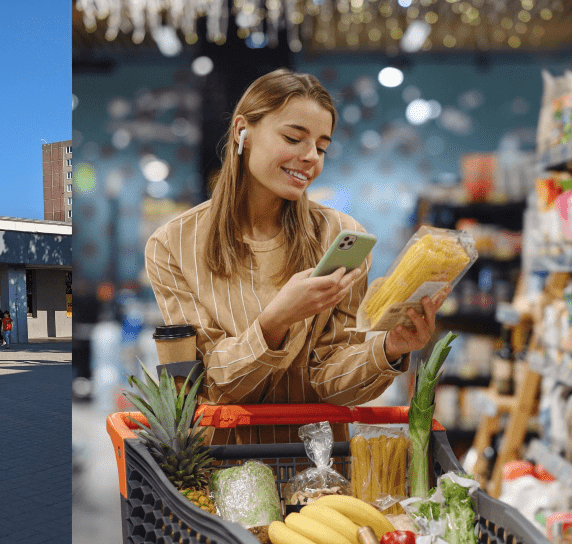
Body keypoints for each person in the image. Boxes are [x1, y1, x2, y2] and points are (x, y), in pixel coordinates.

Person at [144, 69, 443, 445]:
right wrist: (276, 320)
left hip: (320, 470)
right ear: (242, 132)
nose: (309, 158)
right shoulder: (173, 245)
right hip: (222, 469)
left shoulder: (341, 237)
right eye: (293, 138)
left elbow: (330, 380)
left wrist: (389, 348)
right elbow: (213, 384)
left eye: (321, 147)